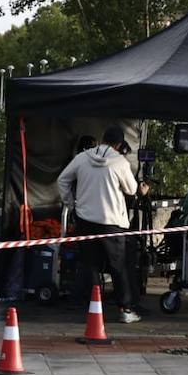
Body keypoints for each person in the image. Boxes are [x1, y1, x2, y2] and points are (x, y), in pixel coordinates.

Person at [57, 125, 141, 323]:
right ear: (120, 144)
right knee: (118, 267)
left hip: (85, 220)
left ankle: (95, 307)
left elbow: (62, 180)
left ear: (102, 138)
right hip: (112, 223)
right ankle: (125, 310)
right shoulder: (120, 162)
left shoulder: (82, 157)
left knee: (90, 265)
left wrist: (71, 203)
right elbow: (131, 189)